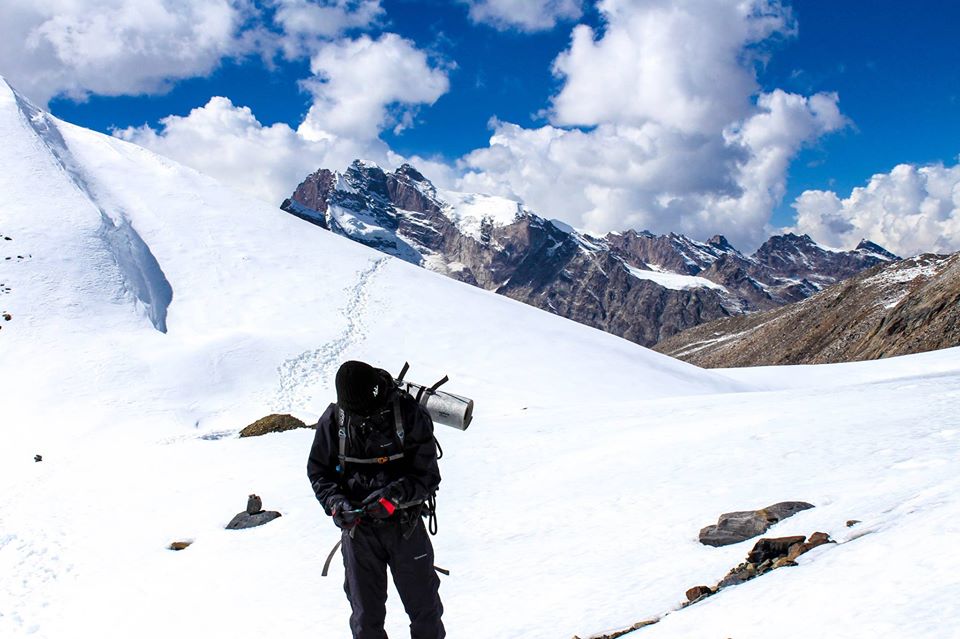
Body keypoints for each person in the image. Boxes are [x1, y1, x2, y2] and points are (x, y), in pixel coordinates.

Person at [308, 360, 445, 639]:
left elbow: (428, 474)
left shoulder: (406, 412)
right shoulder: (335, 420)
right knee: (365, 619)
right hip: (358, 532)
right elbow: (319, 472)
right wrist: (337, 504)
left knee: (424, 611)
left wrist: (395, 496)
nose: (362, 416)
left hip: (404, 526)